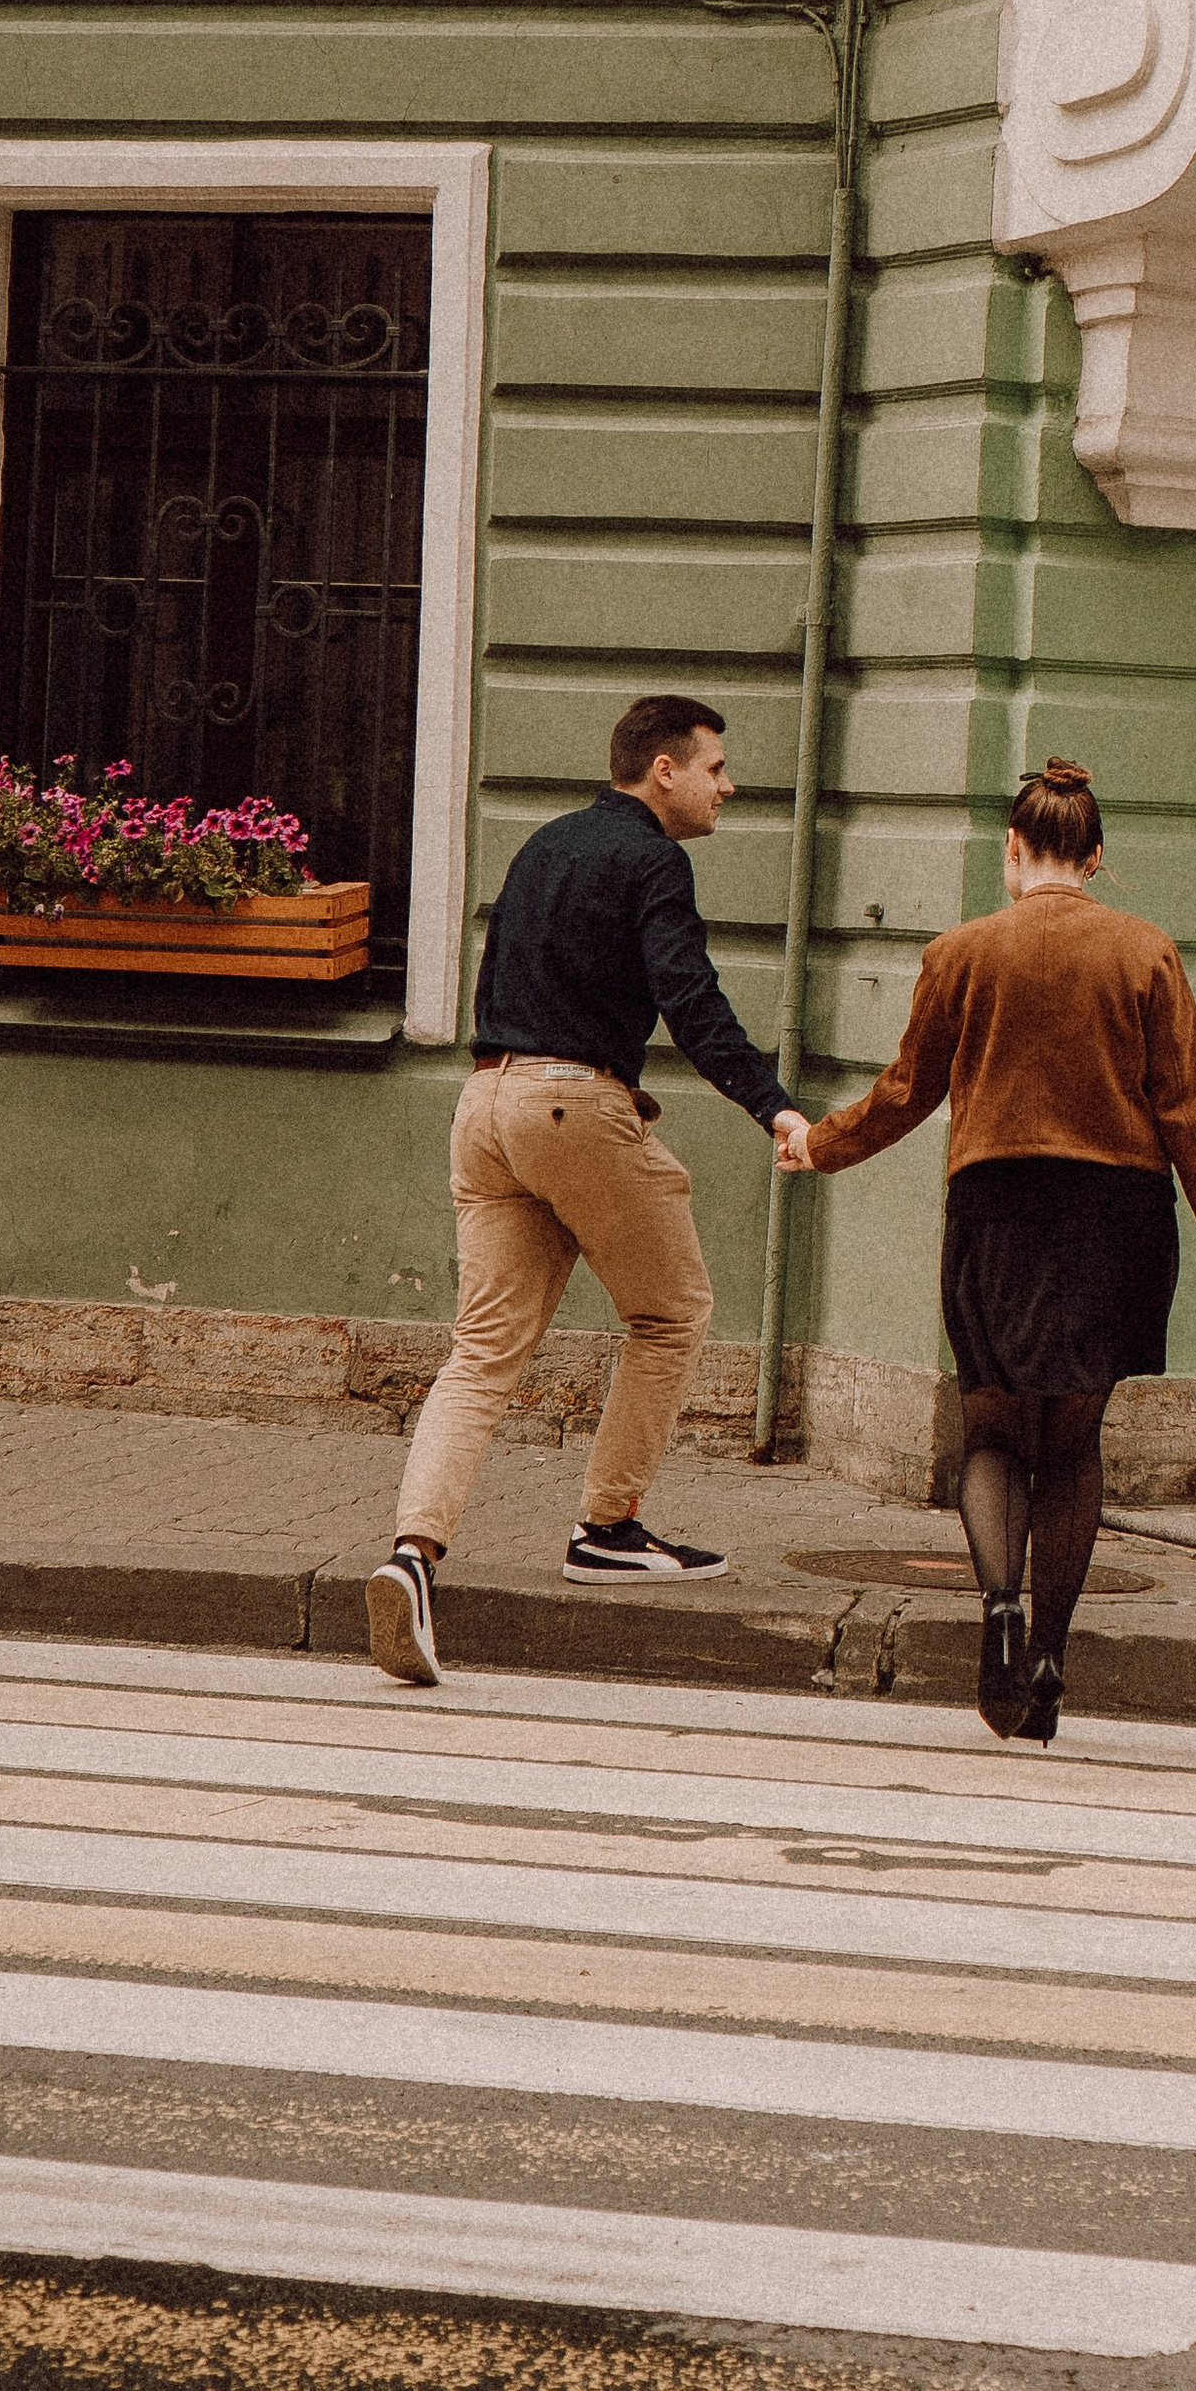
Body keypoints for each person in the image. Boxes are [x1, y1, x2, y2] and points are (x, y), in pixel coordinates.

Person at [775, 758, 1196, 1744]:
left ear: (1012, 850)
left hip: (996, 1207)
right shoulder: (1147, 955)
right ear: (1094, 860)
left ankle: (997, 1603)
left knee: (995, 1435)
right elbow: (1189, 1118)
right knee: (1073, 1446)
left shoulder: (961, 953)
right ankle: (1046, 1654)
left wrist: (816, 1145)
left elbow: (905, 1093)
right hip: (1114, 1213)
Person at [367, 696, 797, 1690]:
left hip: (485, 1104)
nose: (727, 787)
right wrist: (773, 1108)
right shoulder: (654, 861)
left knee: (481, 1354)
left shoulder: (545, 846)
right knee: (672, 1311)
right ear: (662, 769)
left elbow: (496, 980)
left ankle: (411, 1559)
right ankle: (606, 1529)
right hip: (570, 1105)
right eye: (716, 768)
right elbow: (690, 999)